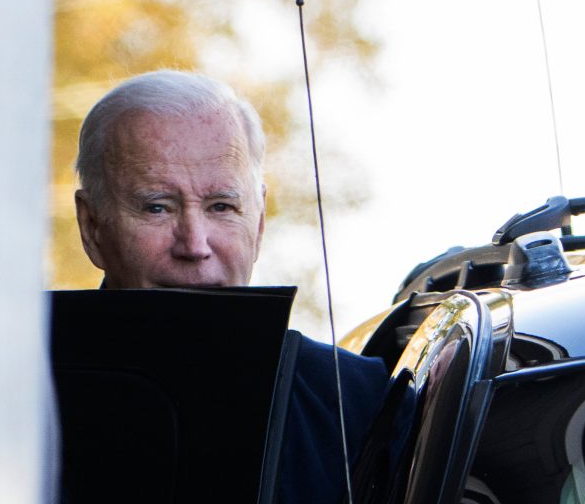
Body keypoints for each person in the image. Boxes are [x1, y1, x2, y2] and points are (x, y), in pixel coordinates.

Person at [73, 70, 388, 503]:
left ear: (257, 225)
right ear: (92, 227)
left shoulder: (356, 402)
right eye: (157, 207)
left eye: (221, 206)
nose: (194, 244)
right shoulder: (9, 395)